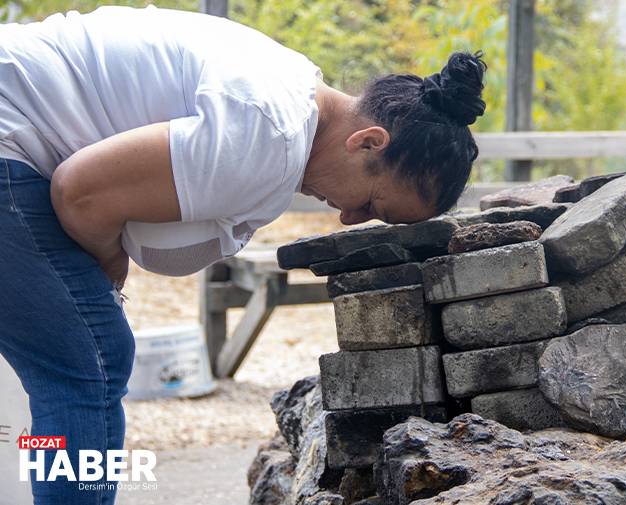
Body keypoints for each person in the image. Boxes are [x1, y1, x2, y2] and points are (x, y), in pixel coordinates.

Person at [0, 5, 486, 504]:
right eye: (369, 205)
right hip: (8, 138)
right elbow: (81, 192)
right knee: (91, 360)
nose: (347, 218)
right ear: (368, 142)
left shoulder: (291, 87)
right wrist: (108, 272)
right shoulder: (269, 137)